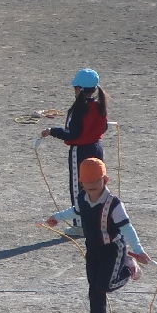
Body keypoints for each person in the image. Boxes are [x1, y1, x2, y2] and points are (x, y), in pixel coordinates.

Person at [45, 157, 154, 313]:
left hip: (113, 249)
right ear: (81, 182)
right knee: (94, 288)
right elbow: (75, 211)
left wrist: (138, 251)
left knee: (105, 285)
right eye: (88, 182)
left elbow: (127, 228)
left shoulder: (114, 204)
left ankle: (129, 268)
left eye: (97, 181)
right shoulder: (82, 198)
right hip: (93, 250)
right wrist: (57, 217)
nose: (92, 185)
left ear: (106, 180)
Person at [39, 68, 110, 236]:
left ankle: (80, 225)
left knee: (79, 188)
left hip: (80, 152)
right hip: (97, 148)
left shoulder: (77, 110)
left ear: (78, 89)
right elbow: (104, 126)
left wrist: (52, 131)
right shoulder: (100, 106)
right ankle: (99, 221)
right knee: (98, 186)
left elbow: (72, 135)